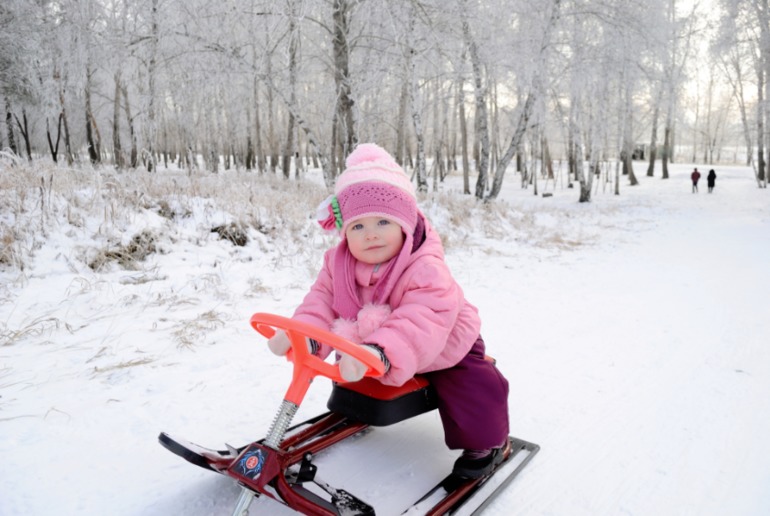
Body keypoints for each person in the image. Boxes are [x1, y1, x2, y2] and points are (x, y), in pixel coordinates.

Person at [267, 143, 510, 479]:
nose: (371, 235)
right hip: (372, 346)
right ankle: (359, 400)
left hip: (444, 339)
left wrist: (380, 351)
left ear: (405, 224)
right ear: (345, 231)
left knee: (468, 384)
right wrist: (305, 337)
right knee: (356, 382)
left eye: (383, 221)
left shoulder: (425, 266)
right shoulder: (337, 263)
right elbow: (320, 302)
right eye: (358, 226)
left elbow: (421, 320)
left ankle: (487, 442)